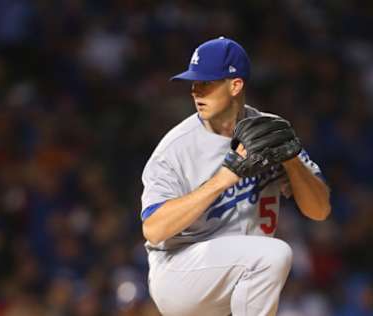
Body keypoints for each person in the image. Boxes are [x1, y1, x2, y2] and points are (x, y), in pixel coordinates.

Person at [140, 36, 331, 316]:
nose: (195, 91)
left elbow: (320, 210)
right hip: (180, 272)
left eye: (206, 82)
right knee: (274, 255)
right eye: (193, 83)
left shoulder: (269, 132)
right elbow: (154, 230)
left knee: (266, 258)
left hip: (238, 279)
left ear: (235, 85)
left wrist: (292, 162)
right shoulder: (175, 148)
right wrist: (221, 180)